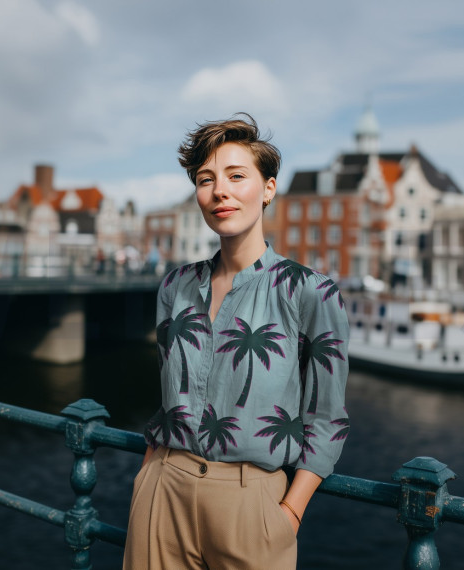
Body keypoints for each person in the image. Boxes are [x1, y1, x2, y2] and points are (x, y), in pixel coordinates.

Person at [123, 114, 350, 570]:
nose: (219, 191)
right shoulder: (175, 287)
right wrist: (145, 479)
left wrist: (289, 513)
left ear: (268, 189)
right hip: (163, 491)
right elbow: (169, 400)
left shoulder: (310, 291)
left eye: (236, 176)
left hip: (252, 505)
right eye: (205, 180)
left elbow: (327, 419)